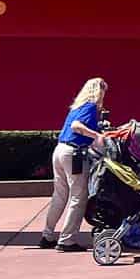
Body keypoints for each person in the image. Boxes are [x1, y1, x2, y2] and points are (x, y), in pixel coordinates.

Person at [39, 77, 106, 252]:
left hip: (60, 150)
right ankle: (67, 240)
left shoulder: (75, 108)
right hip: (73, 154)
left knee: (59, 195)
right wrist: (97, 135)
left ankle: (47, 235)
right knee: (78, 196)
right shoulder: (90, 107)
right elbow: (77, 127)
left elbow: (74, 126)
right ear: (98, 91)